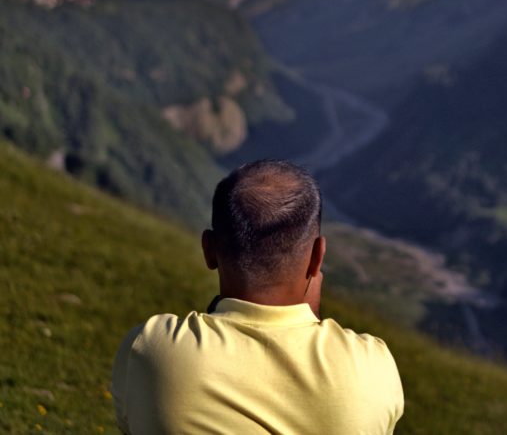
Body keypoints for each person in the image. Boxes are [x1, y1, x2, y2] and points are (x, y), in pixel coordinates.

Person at [111, 160, 404, 434]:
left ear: (209, 250)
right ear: (318, 257)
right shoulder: (373, 368)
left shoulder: (150, 350)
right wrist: (309, 319)